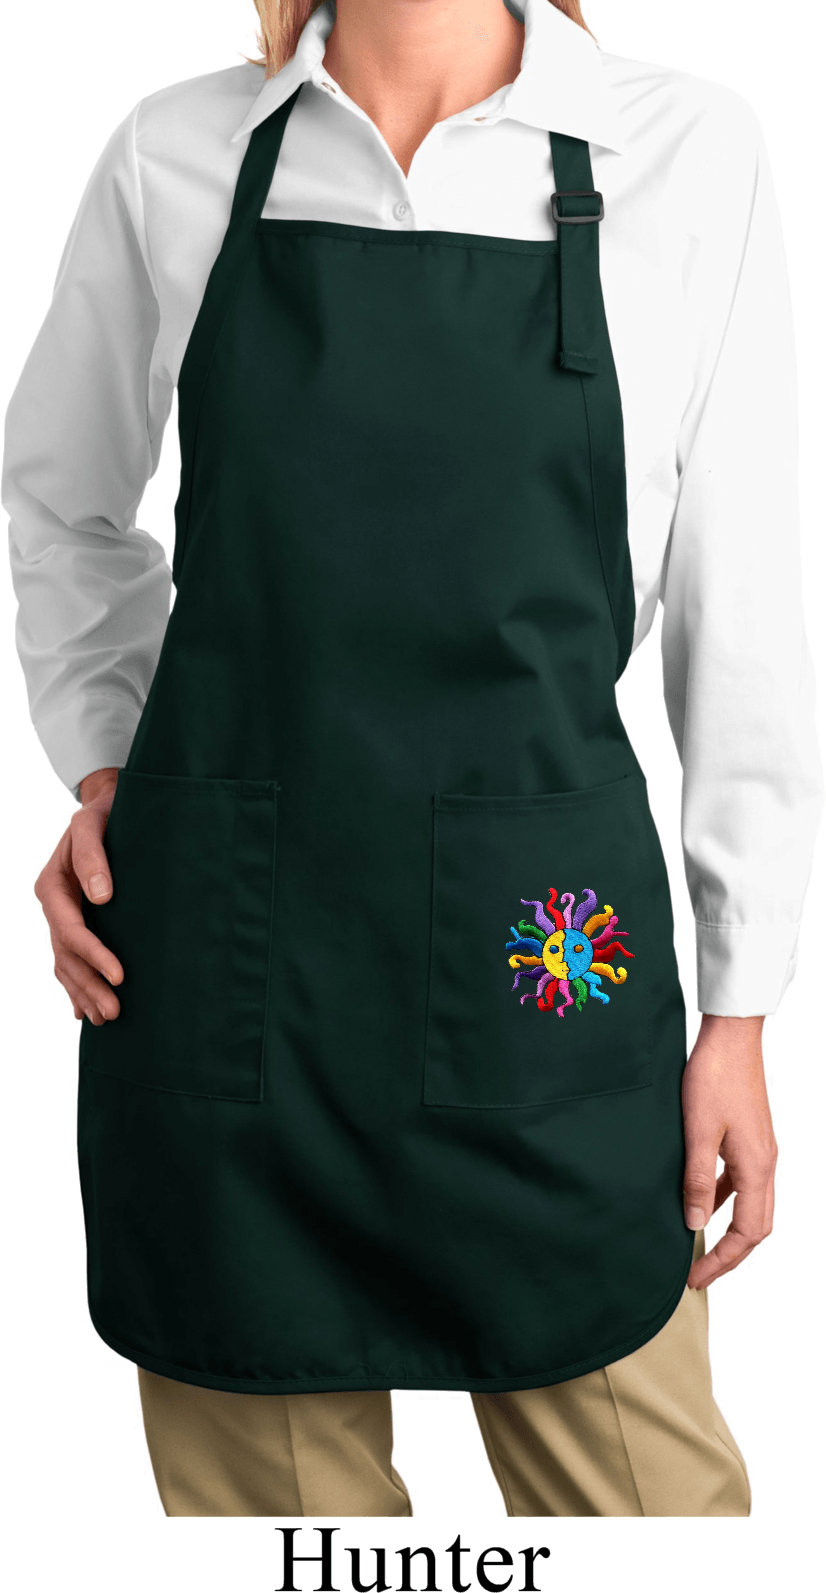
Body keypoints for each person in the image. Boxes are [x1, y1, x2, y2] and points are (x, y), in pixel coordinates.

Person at [3, 0, 821, 1518]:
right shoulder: (177, 151)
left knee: (653, 1516)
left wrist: (741, 1007)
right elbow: (58, 499)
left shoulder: (681, 149)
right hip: (228, 980)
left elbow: (746, 601)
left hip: (543, 974)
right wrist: (113, 770)